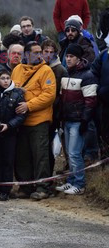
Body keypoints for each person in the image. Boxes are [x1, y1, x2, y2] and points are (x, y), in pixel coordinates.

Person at [11, 41, 56, 200]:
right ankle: (25, 187)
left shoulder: (46, 71)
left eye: (40, 52)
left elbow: (49, 96)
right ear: (27, 54)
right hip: (20, 121)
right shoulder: (16, 69)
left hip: (39, 120)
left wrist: (28, 105)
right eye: (35, 52)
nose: (40, 55)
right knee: (22, 156)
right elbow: (11, 90)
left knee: (40, 155)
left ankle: (43, 187)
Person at [57, 43, 98, 195]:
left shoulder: (88, 76)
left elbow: (91, 102)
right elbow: (62, 99)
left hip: (78, 121)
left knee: (75, 153)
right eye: (67, 56)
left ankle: (79, 183)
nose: (68, 59)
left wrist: (84, 121)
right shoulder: (66, 74)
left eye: (71, 56)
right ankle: (71, 181)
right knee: (69, 153)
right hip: (67, 120)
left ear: (79, 58)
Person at [0, 69, 26, 201]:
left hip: (10, 133)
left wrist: (9, 125)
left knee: (7, 162)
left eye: (7, 78)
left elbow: (21, 115)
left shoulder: (17, 94)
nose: (5, 81)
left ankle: (6, 190)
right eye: (2, 78)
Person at [41, 38, 69, 174]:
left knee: (48, 147)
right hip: (37, 112)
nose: (48, 54)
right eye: (45, 51)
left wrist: (58, 115)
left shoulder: (60, 70)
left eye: (51, 52)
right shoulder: (37, 66)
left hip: (53, 113)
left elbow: (64, 96)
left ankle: (47, 177)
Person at [91, 40, 109, 155]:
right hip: (104, 103)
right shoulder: (103, 55)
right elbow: (93, 72)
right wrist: (99, 90)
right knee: (105, 131)